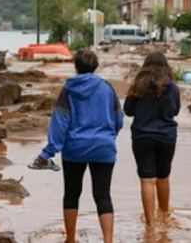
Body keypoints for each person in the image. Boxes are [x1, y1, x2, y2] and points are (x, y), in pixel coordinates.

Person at [30, 49, 123, 243]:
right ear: (95, 66)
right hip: (103, 147)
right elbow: (119, 118)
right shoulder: (107, 88)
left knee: (72, 194)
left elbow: (59, 123)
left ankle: (71, 239)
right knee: (103, 195)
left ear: (76, 66)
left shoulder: (68, 90)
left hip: (74, 149)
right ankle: (108, 240)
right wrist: (109, 136)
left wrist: (47, 153)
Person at [123, 52, 180, 226]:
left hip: (142, 136)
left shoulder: (138, 87)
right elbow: (175, 111)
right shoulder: (172, 87)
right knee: (163, 177)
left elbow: (128, 110)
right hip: (166, 137)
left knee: (147, 180)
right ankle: (164, 215)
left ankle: (150, 225)